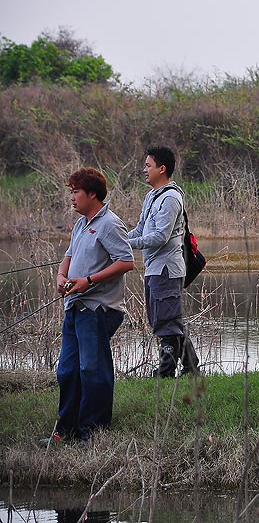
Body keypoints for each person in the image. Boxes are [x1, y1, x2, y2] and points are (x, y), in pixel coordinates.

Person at [55, 168, 134, 442]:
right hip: (74, 307)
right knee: (67, 370)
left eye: (76, 192)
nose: (72, 198)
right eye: (71, 192)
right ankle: (65, 430)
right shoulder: (80, 223)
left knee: (92, 370)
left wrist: (88, 280)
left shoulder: (110, 223)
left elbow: (126, 262)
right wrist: (61, 276)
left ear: (92, 194)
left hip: (98, 308)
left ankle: (93, 432)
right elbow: (69, 255)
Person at [128, 146, 199, 377]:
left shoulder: (171, 198)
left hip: (167, 269)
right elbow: (140, 229)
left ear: (162, 169)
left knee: (167, 321)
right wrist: (117, 241)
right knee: (165, 318)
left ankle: (166, 371)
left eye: (148, 165)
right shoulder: (151, 196)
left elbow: (161, 236)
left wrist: (130, 245)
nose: (144, 169)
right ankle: (191, 368)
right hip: (154, 268)